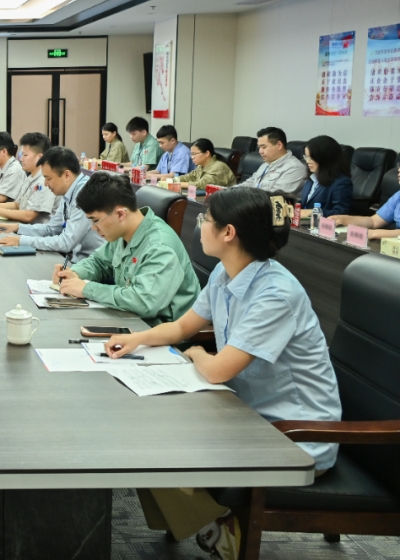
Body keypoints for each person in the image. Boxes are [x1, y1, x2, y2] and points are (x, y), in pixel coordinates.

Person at [106, 188, 340, 558]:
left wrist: (198, 354)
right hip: (245, 412)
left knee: (150, 438)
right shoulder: (225, 272)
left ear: (228, 233)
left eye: (205, 220)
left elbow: (217, 371)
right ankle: (209, 520)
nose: (199, 226)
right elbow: (183, 326)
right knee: (137, 422)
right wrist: (136, 339)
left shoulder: (275, 294)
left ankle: (217, 525)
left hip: (294, 435)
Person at [53, 172, 198, 325]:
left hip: (158, 329)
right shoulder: (123, 232)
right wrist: (75, 273)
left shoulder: (159, 247)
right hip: (128, 317)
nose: (93, 228)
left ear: (121, 214)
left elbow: (144, 302)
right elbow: (99, 262)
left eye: (95, 220)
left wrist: (87, 289)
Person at [0, 147, 104, 262]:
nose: (45, 183)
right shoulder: (70, 191)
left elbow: (66, 242)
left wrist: (20, 240)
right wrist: (17, 227)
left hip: (93, 265)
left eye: (48, 178)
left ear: (67, 175)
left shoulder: (85, 193)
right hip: (77, 260)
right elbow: (51, 229)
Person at [0, 131, 56, 224]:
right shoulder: (31, 177)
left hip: (35, 230)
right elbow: (17, 205)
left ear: (40, 157)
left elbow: (28, 216)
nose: (21, 159)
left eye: (25, 155)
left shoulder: (44, 181)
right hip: (24, 227)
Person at [332, 164, 400, 239]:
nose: (399, 170)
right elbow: (373, 221)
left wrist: (374, 233)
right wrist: (344, 219)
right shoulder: (398, 196)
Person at [239, 127, 308, 196]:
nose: (260, 151)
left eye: (263, 147)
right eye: (259, 147)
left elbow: (274, 197)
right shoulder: (266, 163)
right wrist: (233, 192)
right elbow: (250, 182)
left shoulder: (294, 168)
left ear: (279, 145)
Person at [299, 135, 353, 218]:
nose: (307, 161)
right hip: (304, 223)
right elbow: (305, 204)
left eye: (312, 158)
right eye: (306, 157)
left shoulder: (341, 183)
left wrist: (313, 212)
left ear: (325, 158)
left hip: (323, 224)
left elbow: (341, 213)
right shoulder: (311, 178)